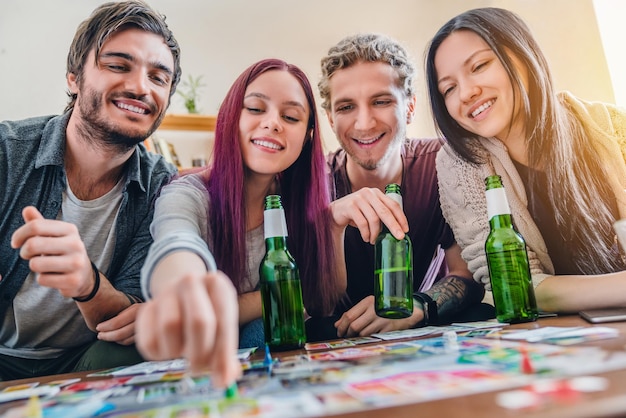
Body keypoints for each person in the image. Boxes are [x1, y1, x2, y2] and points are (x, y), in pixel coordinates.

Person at [0, 0, 190, 380]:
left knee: (134, 346)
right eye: (118, 66)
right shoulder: (8, 152)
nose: (140, 87)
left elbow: (127, 315)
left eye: (158, 77)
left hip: (83, 360)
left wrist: (87, 284)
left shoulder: (163, 187)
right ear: (74, 77)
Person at [138, 58, 344, 379]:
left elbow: (319, 300)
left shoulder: (303, 198)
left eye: (290, 117)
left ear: (307, 136)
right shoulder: (188, 193)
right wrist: (185, 287)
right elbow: (176, 243)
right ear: (231, 117)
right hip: (205, 363)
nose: (273, 123)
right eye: (255, 109)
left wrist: (334, 225)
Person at [426, 7, 626, 313]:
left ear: (523, 53)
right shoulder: (459, 165)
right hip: (555, 338)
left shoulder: (611, 125)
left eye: (479, 66)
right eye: (449, 88)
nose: (466, 93)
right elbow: (514, 285)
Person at [306, 33, 489, 341]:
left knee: (478, 313)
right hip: (337, 333)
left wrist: (416, 307)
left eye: (381, 101)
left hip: (421, 326)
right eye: (347, 107)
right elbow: (311, 300)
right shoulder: (312, 184)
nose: (364, 123)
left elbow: (465, 275)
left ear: (410, 107)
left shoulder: (443, 165)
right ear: (329, 117)